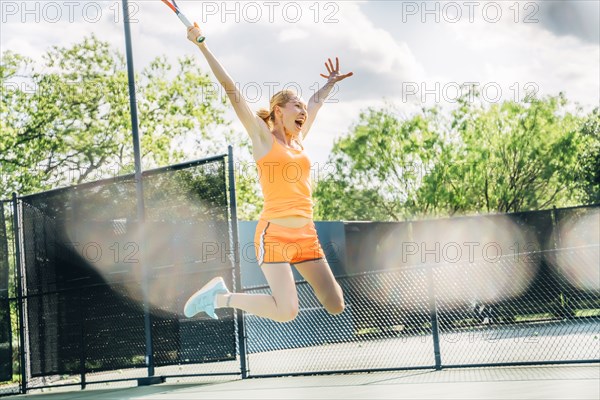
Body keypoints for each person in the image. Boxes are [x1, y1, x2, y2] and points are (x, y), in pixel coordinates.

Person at [182, 23, 354, 322]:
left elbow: (316, 102)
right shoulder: (263, 139)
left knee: (336, 303)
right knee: (286, 312)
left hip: (305, 234)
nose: (303, 111)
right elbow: (232, 89)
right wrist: (202, 46)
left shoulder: (298, 140)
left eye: (303, 107)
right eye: (296, 106)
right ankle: (221, 297)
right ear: (278, 111)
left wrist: (329, 84)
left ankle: (224, 296)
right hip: (274, 234)